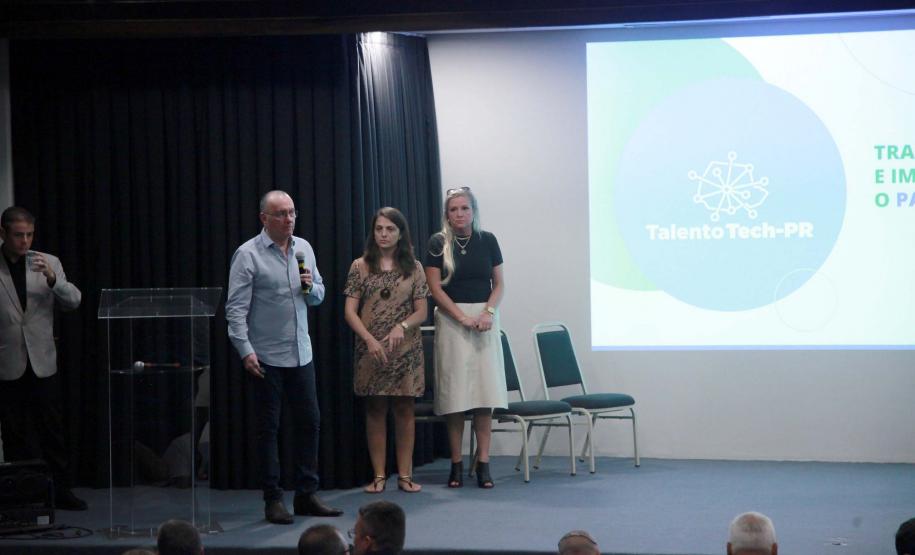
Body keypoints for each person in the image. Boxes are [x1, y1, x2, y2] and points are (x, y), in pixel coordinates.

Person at [226, 190, 342, 524]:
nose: (289, 219)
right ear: (264, 218)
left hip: (301, 353)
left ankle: (306, 494)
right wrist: (245, 351)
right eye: (281, 214)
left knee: (310, 423)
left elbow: (318, 295)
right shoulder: (247, 255)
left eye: (292, 212)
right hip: (265, 357)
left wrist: (311, 288)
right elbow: (235, 310)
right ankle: (273, 499)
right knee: (269, 430)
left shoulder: (303, 248)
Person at [0, 206, 86, 511]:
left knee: (52, 430)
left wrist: (53, 280)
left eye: (29, 234)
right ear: (4, 233)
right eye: (18, 235)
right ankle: (22, 496)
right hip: (7, 363)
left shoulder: (48, 262)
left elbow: (73, 301)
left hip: (42, 361)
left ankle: (62, 491)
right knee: (14, 434)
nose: (24, 241)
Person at [424, 187, 506, 489]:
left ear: (474, 211)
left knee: (485, 395)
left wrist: (487, 313)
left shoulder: (488, 240)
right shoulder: (437, 243)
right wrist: (461, 317)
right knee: (456, 395)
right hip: (452, 320)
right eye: (454, 209)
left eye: (465, 209)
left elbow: (498, 285)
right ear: (447, 214)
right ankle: (456, 464)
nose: (460, 214)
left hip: (484, 321)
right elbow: (435, 289)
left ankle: (483, 463)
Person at [344, 207, 428, 494]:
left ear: (400, 233)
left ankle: (404, 475)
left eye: (390, 229)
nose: (383, 234)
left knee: (405, 409)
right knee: (375, 409)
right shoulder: (360, 266)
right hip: (372, 349)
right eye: (379, 228)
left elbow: (422, 311)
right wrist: (368, 338)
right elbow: (350, 311)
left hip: (405, 350)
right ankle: (379, 475)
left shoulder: (414, 267)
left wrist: (401, 326)